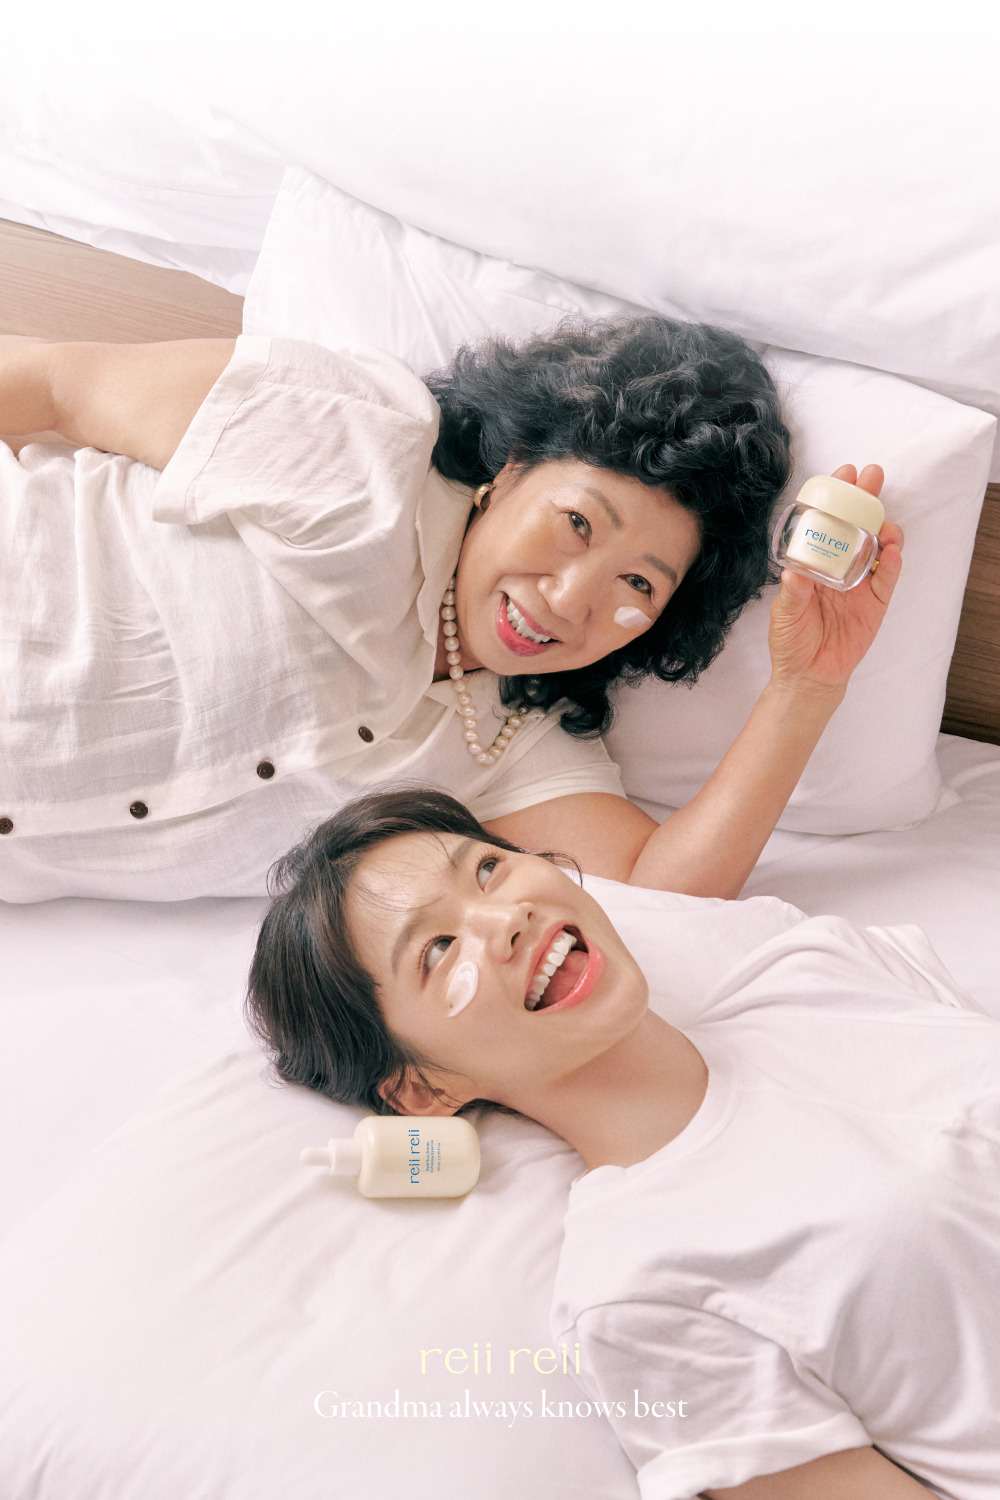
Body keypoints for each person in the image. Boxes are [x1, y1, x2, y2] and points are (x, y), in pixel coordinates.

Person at [245, 787, 999, 1500]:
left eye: (487, 869)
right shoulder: (641, 1290)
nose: (505, 917)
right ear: (420, 1091)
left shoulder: (815, 964)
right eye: (438, 951)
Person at [0, 318, 901, 901]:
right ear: (509, 473)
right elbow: (52, 380)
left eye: (639, 586)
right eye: (577, 523)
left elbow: (663, 894)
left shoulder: (512, 743)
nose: (569, 599)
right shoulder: (366, 445)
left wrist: (805, 688)